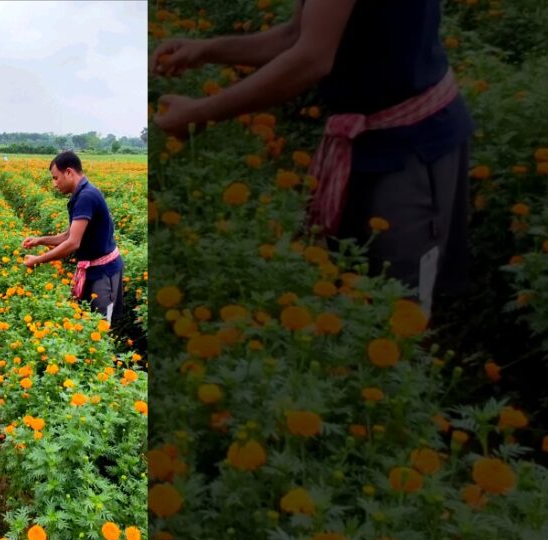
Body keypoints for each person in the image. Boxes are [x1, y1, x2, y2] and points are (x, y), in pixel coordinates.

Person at [152, 0, 474, 316]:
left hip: (412, 145)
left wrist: (202, 113)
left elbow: (311, 58)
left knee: (400, 301)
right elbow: (296, 35)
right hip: (374, 138)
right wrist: (206, 50)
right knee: (352, 284)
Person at [22, 151, 127, 331]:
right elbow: (67, 236)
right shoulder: (82, 193)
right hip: (96, 270)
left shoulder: (86, 196)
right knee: (88, 323)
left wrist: (37, 260)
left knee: (100, 329)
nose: (54, 184)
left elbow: (72, 243)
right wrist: (39, 240)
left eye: (56, 178)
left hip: (104, 274)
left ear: (69, 172)